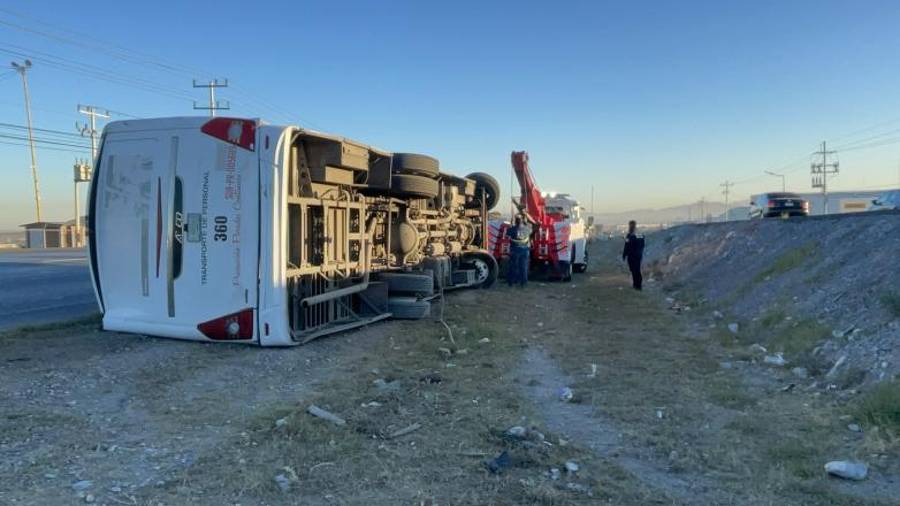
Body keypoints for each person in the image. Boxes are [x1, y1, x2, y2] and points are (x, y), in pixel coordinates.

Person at [505, 216, 531, 287]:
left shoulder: (511, 229)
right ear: (522, 221)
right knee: (523, 266)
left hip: (515, 249)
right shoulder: (527, 229)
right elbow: (531, 231)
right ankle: (523, 282)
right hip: (525, 250)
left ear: (515, 221)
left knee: (513, 266)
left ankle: (511, 282)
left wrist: (511, 226)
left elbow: (507, 236)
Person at [622, 220, 645, 290]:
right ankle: (637, 285)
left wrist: (624, 254)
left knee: (635, 270)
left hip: (632, 256)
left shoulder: (631, 235)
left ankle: (637, 285)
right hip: (637, 255)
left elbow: (627, 245)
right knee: (635, 270)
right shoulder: (639, 234)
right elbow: (642, 244)